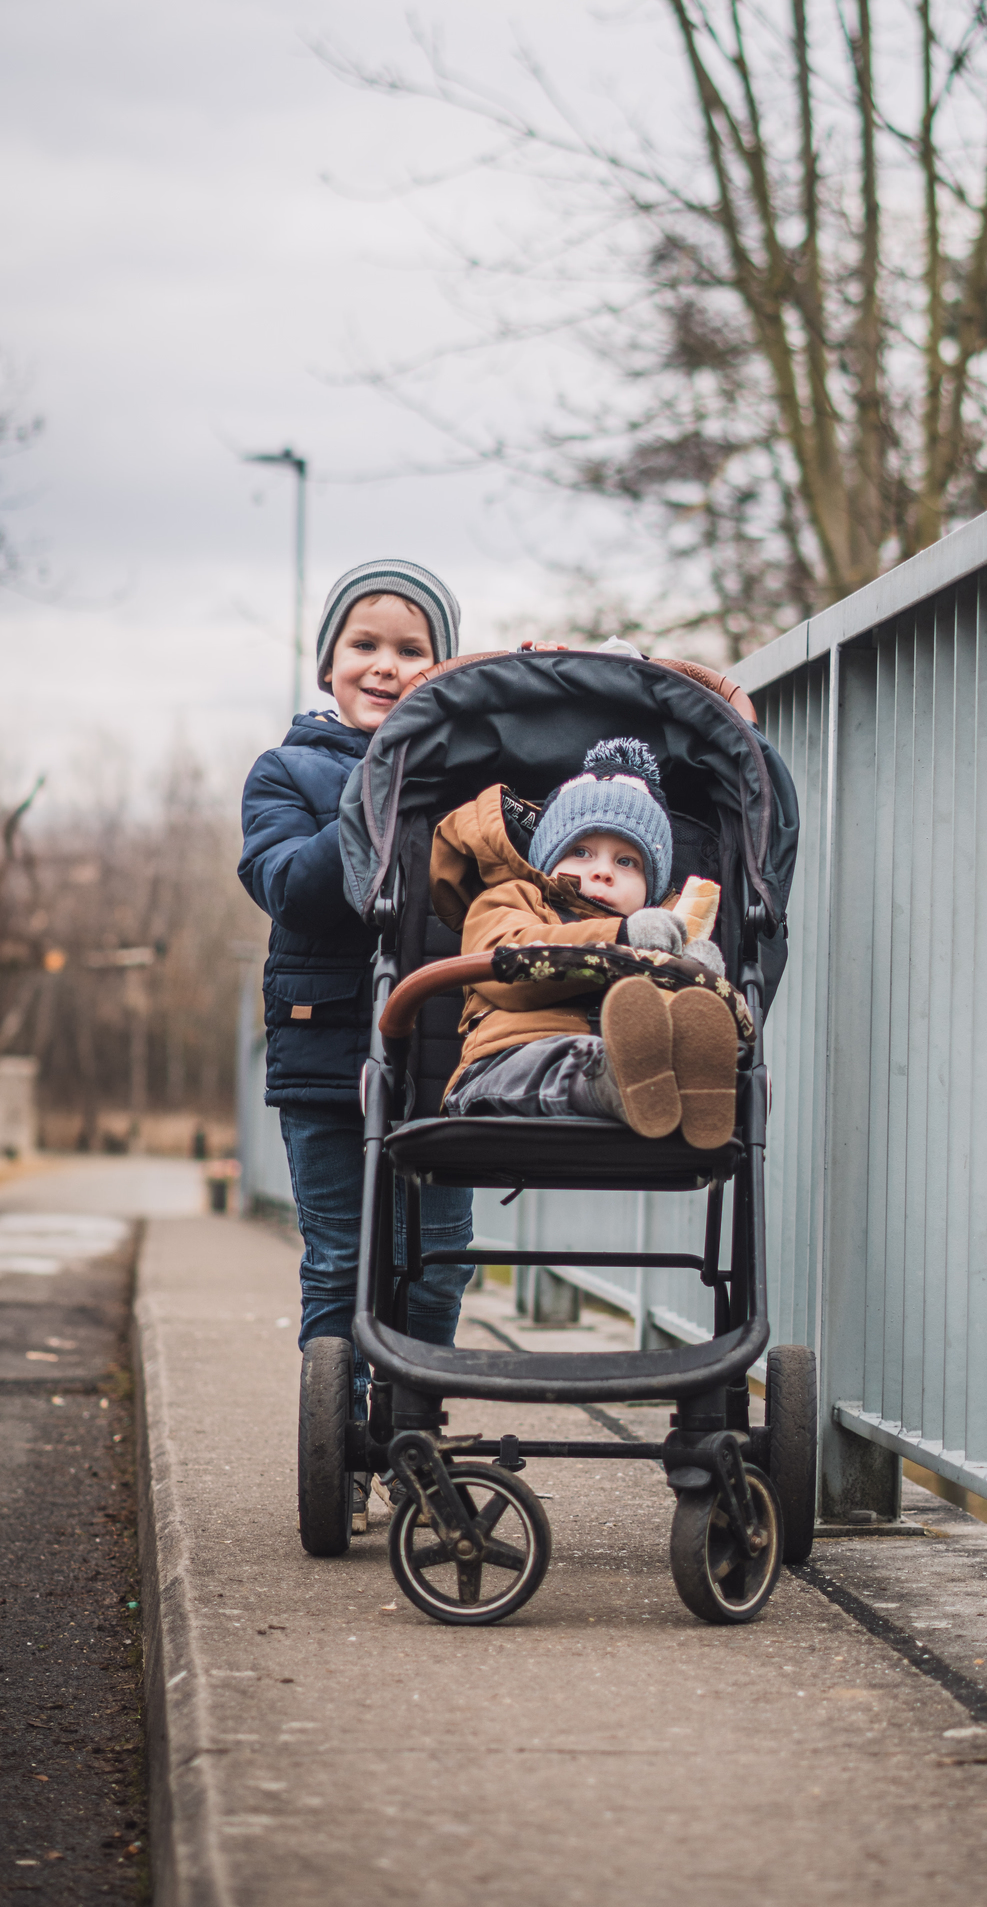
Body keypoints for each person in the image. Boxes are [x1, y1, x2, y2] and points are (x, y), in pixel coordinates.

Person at [238, 561, 475, 1525]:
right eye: (364, 647)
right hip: (325, 1056)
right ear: (329, 661)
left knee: (440, 1254)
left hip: (444, 1058)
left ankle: (410, 1432)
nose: (385, 666)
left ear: (444, 667)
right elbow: (291, 887)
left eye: (411, 651)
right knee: (338, 1257)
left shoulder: (468, 774)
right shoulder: (286, 771)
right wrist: (374, 788)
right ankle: (340, 1442)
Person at [435, 737, 741, 1149]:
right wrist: (621, 938)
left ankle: (686, 1088)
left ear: (652, 888)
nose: (602, 872)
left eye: (626, 861)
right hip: (507, 1062)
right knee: (560, 1061)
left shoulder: (662, 938)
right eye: (580, 851)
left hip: (636, 1078)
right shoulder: (515, 899)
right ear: (548, 857)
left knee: (683, 1013)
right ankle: (617, 1081)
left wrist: (696, 974)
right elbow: (504, 960)